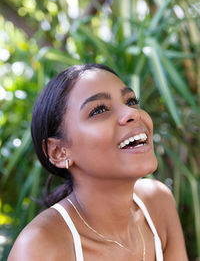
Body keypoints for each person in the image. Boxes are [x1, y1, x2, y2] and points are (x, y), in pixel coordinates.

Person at [8, 63, 188, 261]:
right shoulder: (39, 247)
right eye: (99, 110)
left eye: (131, 101)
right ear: (60, 152)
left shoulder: (158, 204)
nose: (133, 113)